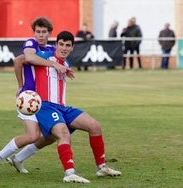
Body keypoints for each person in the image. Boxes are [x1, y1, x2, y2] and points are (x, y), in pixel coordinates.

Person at [8, 31, 121, 183]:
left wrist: (64, 69)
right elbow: (21, 59)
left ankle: (101, 167)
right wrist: (21, 86)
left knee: (94, 125)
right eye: (61, 44)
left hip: (62, 107)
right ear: (56, 45)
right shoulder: (45, 56)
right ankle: (69, 173)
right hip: (46, 106)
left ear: (72, 48)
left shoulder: (66, 63)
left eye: (68, 45)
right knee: (63, 134)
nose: (64, 48)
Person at [0, 17, 71, 176]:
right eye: (37, 32)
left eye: (44, 32)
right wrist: (20, 85)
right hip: (29, 98)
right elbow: (22, 59)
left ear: (49, 33)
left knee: (51, 136)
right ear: (34, 33)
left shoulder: (50, 49)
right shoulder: (30, 44)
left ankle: (18, 158)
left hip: (44, 100)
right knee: (33, 135)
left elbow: (60, 63)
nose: (40, 35)